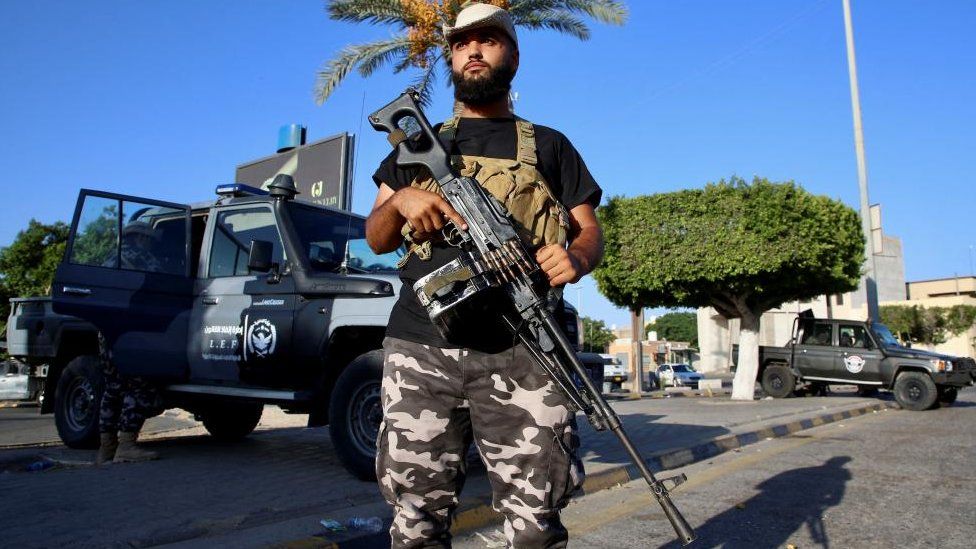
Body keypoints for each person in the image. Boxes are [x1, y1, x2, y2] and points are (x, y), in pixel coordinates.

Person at [365, 3, 604, 547]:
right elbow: (376, 237)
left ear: (512, 54)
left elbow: (589, 230)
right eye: (462, 42)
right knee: (415, 517)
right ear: (450, 57)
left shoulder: (548, 144)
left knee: (535, 519)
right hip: (422, 346)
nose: (473, 50)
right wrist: (401, 199)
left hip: (524, 345)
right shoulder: (415, 146)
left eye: (489, 40)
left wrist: (578, 258)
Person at [95, 332, 161, 464]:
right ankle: (126, 445)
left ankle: (107, 448)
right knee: (140, 387)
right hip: (130, 334)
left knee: (113, 388)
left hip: (108, 331)